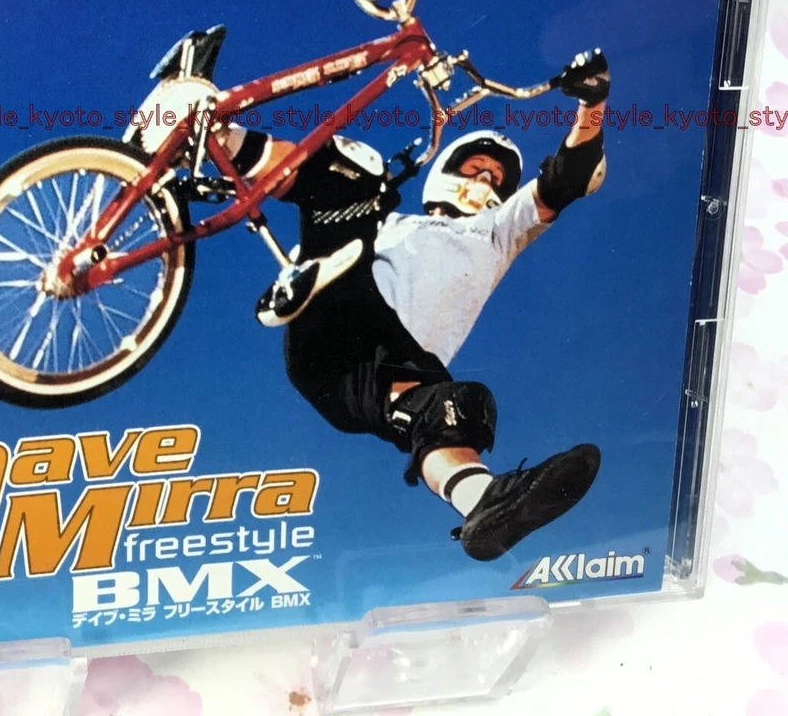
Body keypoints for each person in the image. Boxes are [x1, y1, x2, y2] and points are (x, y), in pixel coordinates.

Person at [223, 50, 611, 561]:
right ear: (447, 172)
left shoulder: (496, 232)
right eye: (476, 170)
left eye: (496, 180)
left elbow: (569, 177)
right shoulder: (388, 221)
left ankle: (482, 503)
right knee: (355, 175)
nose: (485, 183)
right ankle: (217, 137)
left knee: (454, 407)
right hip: (338, 322)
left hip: (378, 370)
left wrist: (593, 102)